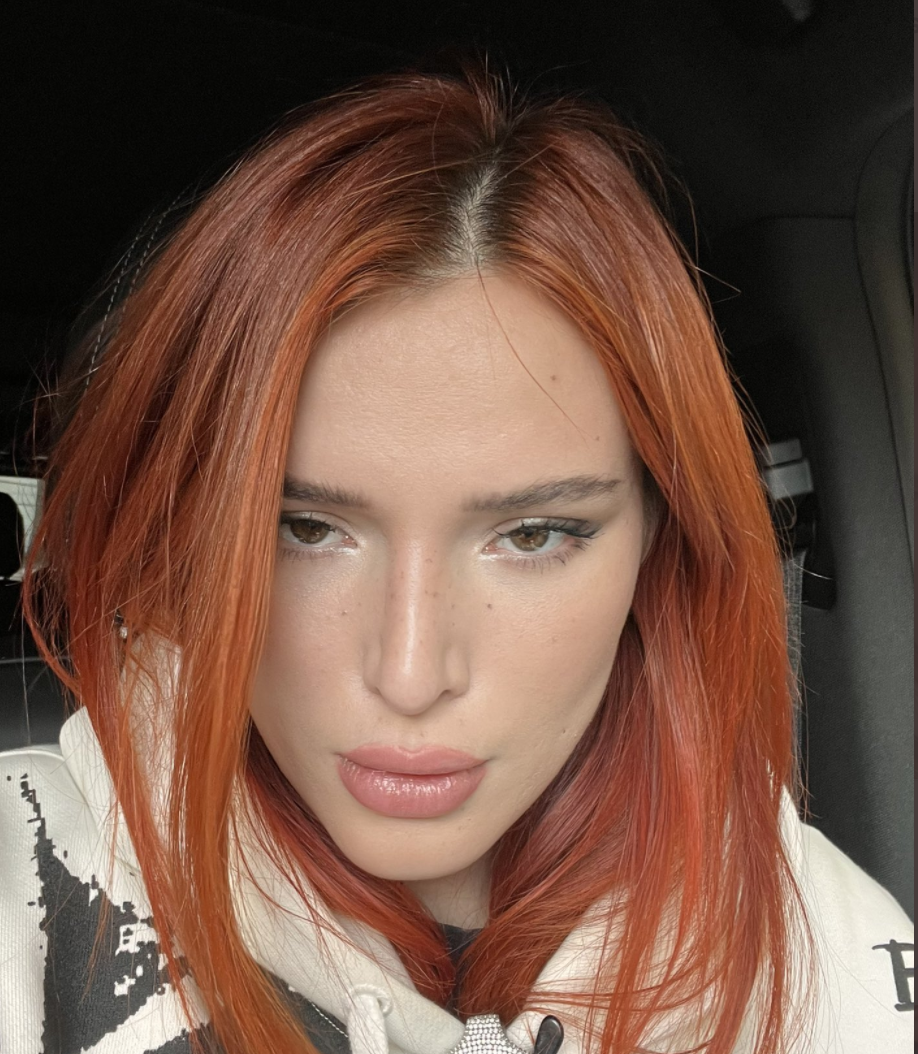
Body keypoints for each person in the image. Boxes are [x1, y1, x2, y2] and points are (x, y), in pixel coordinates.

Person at [0, 67, 911, 1054]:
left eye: (533, 534)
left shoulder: (845, 966)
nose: (410, 673)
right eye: (302, 527)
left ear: (659, 538)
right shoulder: (28, 885)